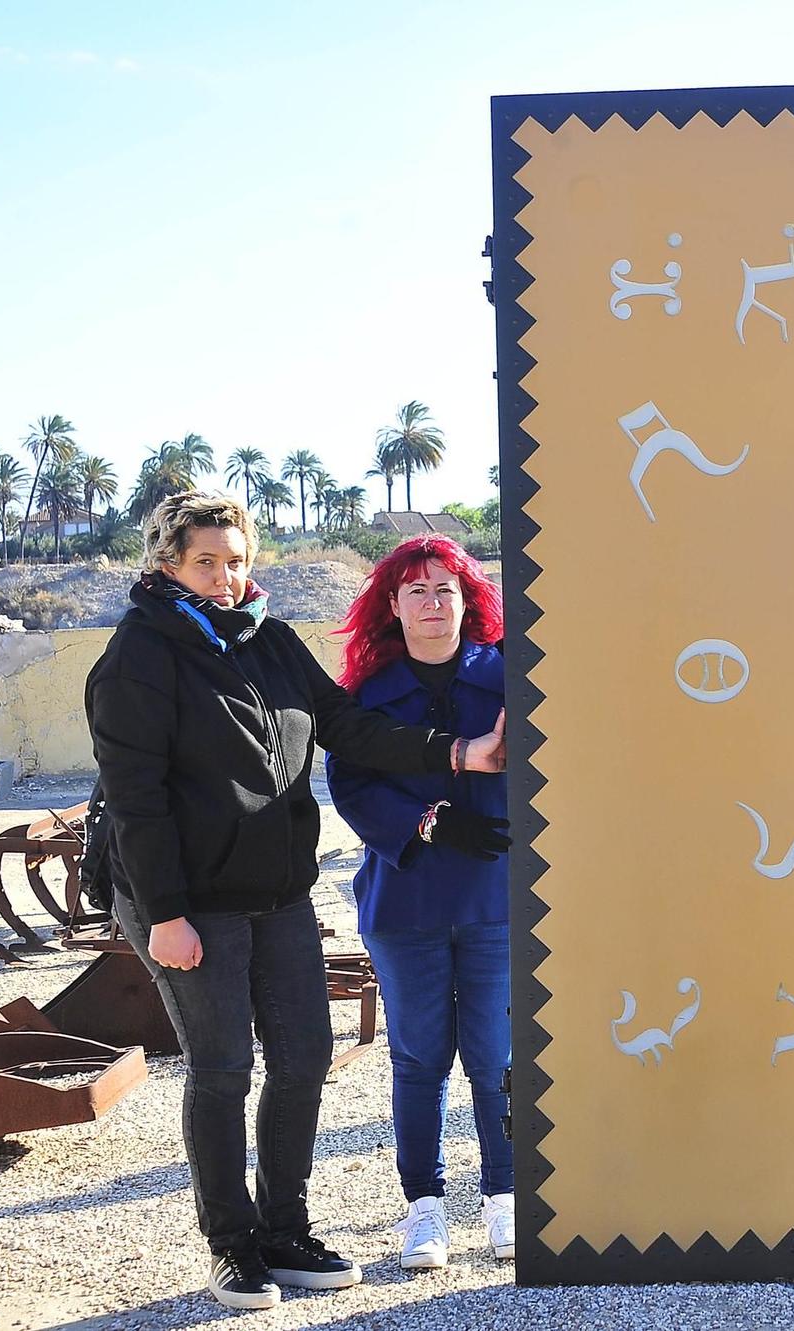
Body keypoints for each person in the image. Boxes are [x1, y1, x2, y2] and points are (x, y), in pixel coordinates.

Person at [86, 492, 497, 1311]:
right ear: (167, 563)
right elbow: (136, 801)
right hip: (187, 899)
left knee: (305, 1056)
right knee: (223, 1069)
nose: (227, 576)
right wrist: (165, 914)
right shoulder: (139, 656)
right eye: (206, 561)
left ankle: (284, 1227)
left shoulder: (268, 639)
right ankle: (233, 1246)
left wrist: (458, 751)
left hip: (274, 891)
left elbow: (347, 724)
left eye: (237, 559)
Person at [325, 535, 516, 1267]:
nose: (433, 603)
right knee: (419, 1058)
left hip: (498, 899)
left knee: (496, 1057)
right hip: (407, 902)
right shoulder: (367, 699)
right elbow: (353, 787)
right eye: (417, 591)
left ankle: (504, 1197)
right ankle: (425, 1208)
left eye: (446, 589)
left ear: (469, 601)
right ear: (393, 606)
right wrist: (429, 821)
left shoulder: (511, 678)